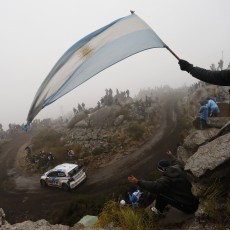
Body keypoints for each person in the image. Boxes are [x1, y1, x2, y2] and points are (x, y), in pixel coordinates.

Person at [128, 150, 199, 216]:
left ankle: (158, 210)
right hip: (195, 201)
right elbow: (176, 161)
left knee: (160, 193)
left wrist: (138, 182)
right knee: (166, 190)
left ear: (161, 169)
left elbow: (154, 186)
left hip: (189, 207)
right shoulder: (179, 168)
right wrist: (170, 155)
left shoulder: (167, 179)